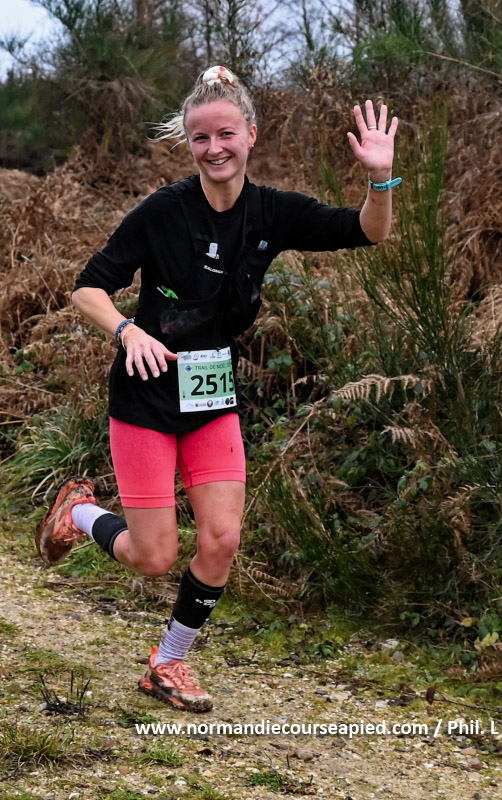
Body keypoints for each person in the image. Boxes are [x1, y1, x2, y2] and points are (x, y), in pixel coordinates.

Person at [36, 65, 400, 713]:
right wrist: (127, 331)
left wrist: (380, 179)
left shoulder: (273, 212)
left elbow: (369, 231)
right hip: (146, 396)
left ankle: (167, 661)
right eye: (201, 138)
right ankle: (80, 513)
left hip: (209, 397)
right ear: (189, 143)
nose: (214, 149)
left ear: (251, 134)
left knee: (223, 539)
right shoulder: (162, 213)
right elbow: (86, 289)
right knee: (153, 557)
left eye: (226, 134)